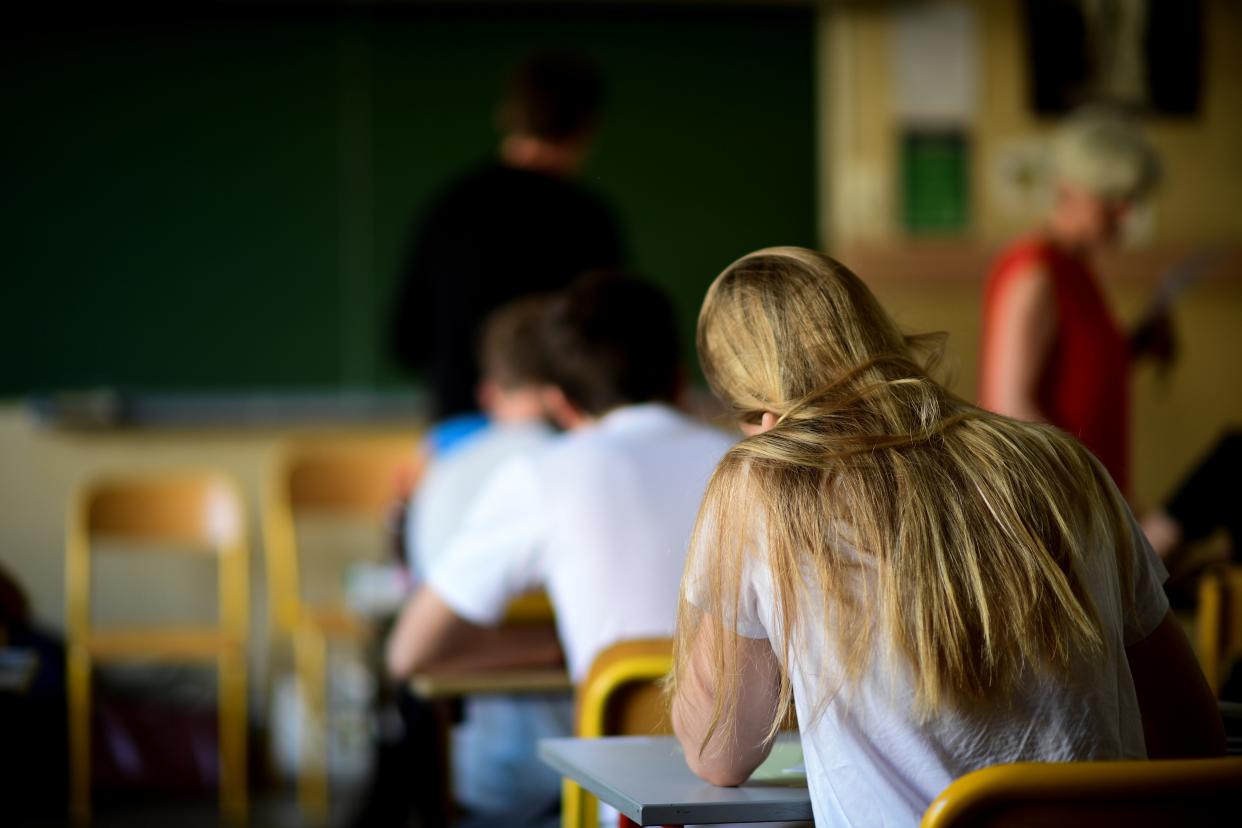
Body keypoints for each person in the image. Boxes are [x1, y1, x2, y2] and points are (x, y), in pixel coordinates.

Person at [670, 247, 1223, 827]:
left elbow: (718, 754)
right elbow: (1192, 734)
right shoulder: (1065, 464)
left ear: (759, 412)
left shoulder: (761, 486)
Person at [386, 269, 733, 738]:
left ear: (561, 404)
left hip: (622, 799)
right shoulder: (751, 465)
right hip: (780, 785)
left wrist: (552, 648)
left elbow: (407, 653)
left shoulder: (541, 476)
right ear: (679, 379)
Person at [391, 52, 625, 423]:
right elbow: (610, 347)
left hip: (461, 433)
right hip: (559, 435)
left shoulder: (449, 209)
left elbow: (406, 339)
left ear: (510, 115)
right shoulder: (588, 220)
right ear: (588, 126)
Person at [979, 107, 1169, 495]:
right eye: (1113, 200)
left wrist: (1136, 346)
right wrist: (1092, 494)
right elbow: (1009, 406)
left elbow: (1075, 373)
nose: (1125, 214)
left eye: (1132, 200)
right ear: (1069, 190)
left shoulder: (1077, 270)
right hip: (1059, 505)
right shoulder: (1035, 273)